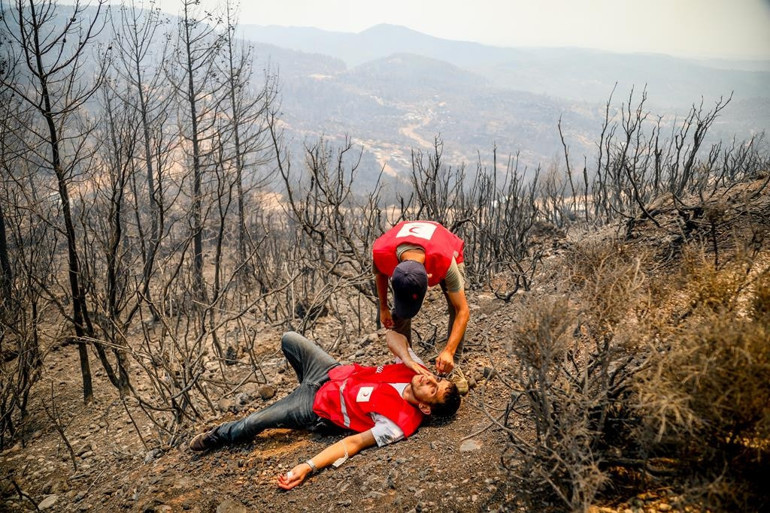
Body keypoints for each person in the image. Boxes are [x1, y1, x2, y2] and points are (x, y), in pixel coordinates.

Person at [189, 330, 461, 490]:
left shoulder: (398, 423)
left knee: (256, 422)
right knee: (289, 338)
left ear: (425, 407)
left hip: (317, 406)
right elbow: (393, 335)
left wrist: (308, 466)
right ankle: (298, 390)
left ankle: (218, 435)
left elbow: (353, 443)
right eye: (435, 379)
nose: (428, 380)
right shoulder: (416, 371)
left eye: (433, 389)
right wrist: (406, 358)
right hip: (330, 372)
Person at [373, 220, 469, 378]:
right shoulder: (381, 251)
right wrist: (383, 307)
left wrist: (449, 352)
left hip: (443, 249)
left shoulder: (445, 261)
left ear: (429, 277)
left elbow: (463, 311)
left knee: (455, 306)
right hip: (406, 247)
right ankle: (405, 364)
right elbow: (380, 273)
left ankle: (453, 366)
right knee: (400, 313)